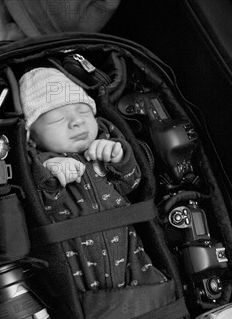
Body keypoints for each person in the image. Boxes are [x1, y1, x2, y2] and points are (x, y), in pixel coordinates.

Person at [19, 67, 167, 291]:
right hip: (77, 265)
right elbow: (37, 209)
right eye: (57, 119)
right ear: (33, 138)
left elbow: (133, 185)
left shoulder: (107, 141)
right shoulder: (37, 162)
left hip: (130, 254)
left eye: (83, 112)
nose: (76, 122)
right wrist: (49, 174)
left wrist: (120, 158)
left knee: (153, 293)